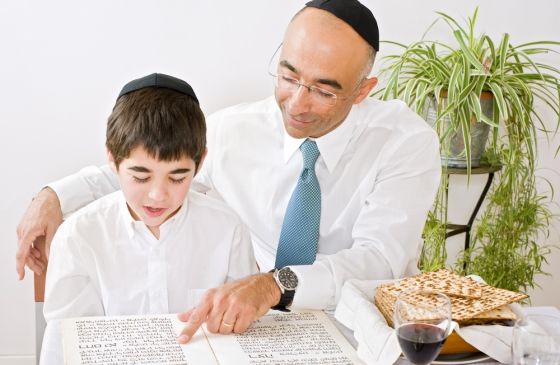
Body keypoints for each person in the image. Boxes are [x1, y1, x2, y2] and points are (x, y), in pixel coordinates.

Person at [17, 0, 441, 342]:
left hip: (359, 330)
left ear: (364, 90)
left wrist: (276, 284)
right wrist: (53, 196)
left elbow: (381, 259)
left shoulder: (404, 143)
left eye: (324, 90)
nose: (296, 104)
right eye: (289, 75)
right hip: (258, 332)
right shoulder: (234, 130)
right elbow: (150, 169)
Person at [42, 73, 257, 321]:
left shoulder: (228, 231)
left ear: (200, 164)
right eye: (141, 177)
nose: (157, 196)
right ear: (112, 159)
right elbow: (68, 345)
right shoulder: (77, 238)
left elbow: (241, 331)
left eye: (177, 178)